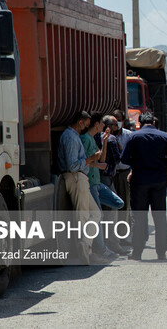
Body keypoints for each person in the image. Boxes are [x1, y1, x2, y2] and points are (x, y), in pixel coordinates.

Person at [120, 112, 167, 260]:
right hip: (159, 180)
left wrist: (137, 164)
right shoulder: (164, 136)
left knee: (139, 217)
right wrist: (159, 164)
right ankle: (161, 252)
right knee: (159, 217)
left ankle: (137, 252)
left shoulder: (134, 137)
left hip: (139, 181)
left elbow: (124, 159)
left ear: (140, 122)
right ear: (153, 121)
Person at [57, 111, 101, 264]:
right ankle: (84, 250)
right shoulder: (70, 137)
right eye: (86, 124)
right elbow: (73, 165)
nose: (86, 127)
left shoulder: (73, 136)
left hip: (79, 178)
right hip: (76, 178)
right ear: (80, 122)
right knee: (83, 215)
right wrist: (91, 158)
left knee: (94, 214)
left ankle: (86, 245)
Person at [80, 112, 123, 261]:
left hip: (97, 183)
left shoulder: (93, 139)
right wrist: (97, 164)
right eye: (102, 123)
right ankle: (100, 248)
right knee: (99, 215)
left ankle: (99, 244)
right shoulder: (85, 139)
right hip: (91, 183)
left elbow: (102, 159)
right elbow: (83, 161)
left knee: (118, 203)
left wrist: (104, 142)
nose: (104, 126)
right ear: (96, 123)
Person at [112, 109, 132, 229]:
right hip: (111, 174)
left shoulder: (129, 136)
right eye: (114, 121)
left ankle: (122, 233)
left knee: (124, 205)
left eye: (119, 121)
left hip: (124, 174)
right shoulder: (106, 136)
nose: (117, 124)